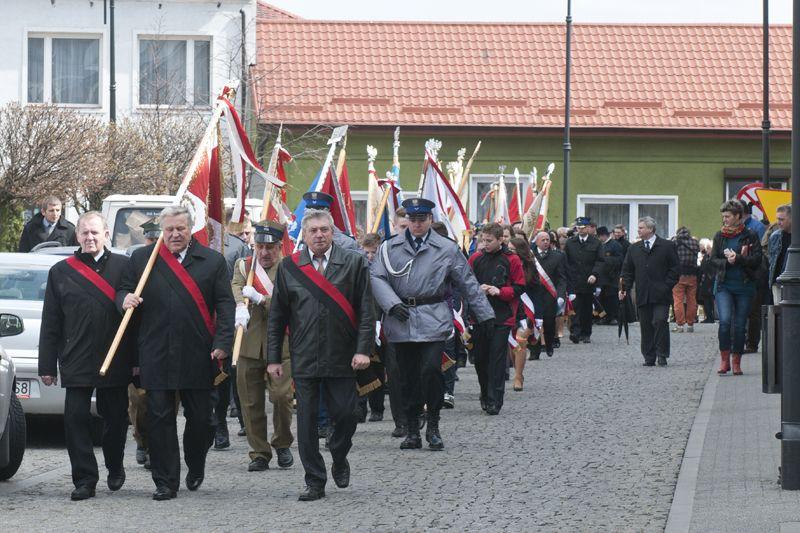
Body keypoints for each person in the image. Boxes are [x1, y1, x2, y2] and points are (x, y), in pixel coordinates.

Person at [119, 205, 235, 500]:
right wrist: (124, 298)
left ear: (190, 229)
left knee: (202, 420)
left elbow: (225, 306)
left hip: (198, 353)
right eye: (168, 229)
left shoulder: (212, 261)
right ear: (162, 230)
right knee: (159, 419)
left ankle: (196, 463)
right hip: (155, 351)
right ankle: (166, 481)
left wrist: (223, 343)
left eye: (180, 229)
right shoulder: (143, 260)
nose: (174, 235)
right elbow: (122, 290)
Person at [266, 209, 373, 502]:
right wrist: (274, 358)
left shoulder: (353, 262)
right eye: (313, 231)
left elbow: (366, 310)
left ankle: (339, 453)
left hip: (342, 353)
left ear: (333, 231)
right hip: (304, 355)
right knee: (307, 422)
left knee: (347, 415)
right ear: (305, 234)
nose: (319, 235)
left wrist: (364, 349)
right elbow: (277, 316)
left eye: (324, 230)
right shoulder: (290, 266)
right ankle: (314, 480)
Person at [371, 198, 493, 448]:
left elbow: (467, 281)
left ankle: (434, 424)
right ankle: (413, 429)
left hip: (433, 317)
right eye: (412, 220)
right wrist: (391, 303)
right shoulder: (389, 247)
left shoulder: (446, 248)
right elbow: (376, 277)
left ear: (430, 220)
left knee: (430, 372)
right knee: (406, 377)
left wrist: (485, 314)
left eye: (421, 219)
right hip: (401, 318)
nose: (416, 224)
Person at [38, 211, 135, 501]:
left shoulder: (125, 266)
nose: (90, 238)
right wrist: (47, 365)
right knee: (75, 419)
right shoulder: (60, 272)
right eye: (84, 233)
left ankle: (115, 465)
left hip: (114, 356)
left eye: (95, 232)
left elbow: (136, 316)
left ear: (106, 234)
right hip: (76, 357)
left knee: (116, 419)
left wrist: (138, 362)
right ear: (77, 236)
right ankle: (85, 479)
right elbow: (51, 322)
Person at [231, 222, 295, 472]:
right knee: (249, 401)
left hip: (280, 345)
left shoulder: (289, 269)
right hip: (248, 343)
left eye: (270, 247)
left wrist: (261, 299)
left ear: (280, 247)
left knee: (281, 397)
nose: (265, 253)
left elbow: (289, 302)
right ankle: (259, 452)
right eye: (260, 246)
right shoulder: (244, 266)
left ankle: (282, 442)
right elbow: (236, 286)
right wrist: (240, 304)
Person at [469, 223, 525, 414]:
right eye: (482, 240)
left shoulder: (512, 259)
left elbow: (519, 287)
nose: (485, 244)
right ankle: (485, 393)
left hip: (502, 315)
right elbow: (466, 283)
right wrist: (479, 290)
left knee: (497, 359)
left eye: (489, 241)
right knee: (481, 360)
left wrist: (499, 291)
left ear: (501, 240)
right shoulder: (475, 258)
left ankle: (495, 399)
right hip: (479, 317)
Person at [709, 200, 763, 376]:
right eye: (723, 216)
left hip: (744, 286)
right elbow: (712, 260)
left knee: (739, 326)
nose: (724, 219)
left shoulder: (750, 235)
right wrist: (727, 262)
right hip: (724, 285)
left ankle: (737, 361)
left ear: (738, 216)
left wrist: (738, 258)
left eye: (728, 216)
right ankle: (724, 360)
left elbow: (757, 260)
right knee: (724, 322)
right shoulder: (719, 236)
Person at [620, 217, 679, 367]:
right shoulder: (634, 248)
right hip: (642, 293)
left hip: (661, 294)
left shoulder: (667, 246)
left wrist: (667, 285)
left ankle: (662, 354)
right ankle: (649, 356)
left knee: (659, 321)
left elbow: (675, 269)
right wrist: (624, 288)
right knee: (645, 325)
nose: (638, 230)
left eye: (641, 228)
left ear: (650, 229)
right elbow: (627, 271)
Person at [128, 219, 161, 469]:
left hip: (164, 345)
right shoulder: (135, 261)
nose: (154, 244)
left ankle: (158, 448)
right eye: (150, 239)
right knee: (139, 402)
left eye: (157, 239)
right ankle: (142, 441)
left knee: (162, 404)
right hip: (138, 344)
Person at [564, 217, 604, 343]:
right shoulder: (570, 242)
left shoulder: (596, 243)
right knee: (574, 307)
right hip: (574, 280)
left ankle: (586, 333)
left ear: (588, 228)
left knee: (586, 308)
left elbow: (601, 261)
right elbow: (566, 261)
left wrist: (595, 274)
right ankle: (575, 332)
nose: (580, 230)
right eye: (578, 228)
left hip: (588, 281)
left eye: (583, 228)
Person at [529, 231, 568, 358]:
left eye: (547, 240)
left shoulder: (558, 256)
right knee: (534, 322)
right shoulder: (531, 256)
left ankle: (549, 344)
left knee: (549, 322)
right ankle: (535, 350)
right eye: (543, 240)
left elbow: (562, 278)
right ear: (537, 242)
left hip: (550, 295)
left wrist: (561, 295)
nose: (546, 242)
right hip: (535, 295)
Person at [507, 237, 537, 390]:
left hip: (525, 309)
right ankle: (517, 370)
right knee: (512, 345)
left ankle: (518, 376)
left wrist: (538, 315)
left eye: (513, 250)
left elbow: (538, 291)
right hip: (509, 308)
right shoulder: (505, 263)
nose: (510, 252)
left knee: (520, 341)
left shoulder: (531, 266)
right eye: (509, 249)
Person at [671, 226, 700, 333]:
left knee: (678, 299)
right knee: (692, 299)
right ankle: (690, 324)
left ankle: (680, 325)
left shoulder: (674, 241)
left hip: (679, 274)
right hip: (692, 274)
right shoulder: (694, 242)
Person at [596, 226, 623, 325]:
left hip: (612, 277)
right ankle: (603, 317)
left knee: (611, 299)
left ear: (603, 236)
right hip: (601, 277)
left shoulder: (615, 245)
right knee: (602, 298)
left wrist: (606, 260)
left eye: (599, 237)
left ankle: (613, 317)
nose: (599, 239)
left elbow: (620, 260)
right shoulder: (600, 245)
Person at [768, 204, 792, 304]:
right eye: (777, 219)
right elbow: (771, 259)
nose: (778, 222)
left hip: (794, 282)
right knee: (779, 313)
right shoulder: (775, 236)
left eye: (782, 219)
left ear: (791, 218)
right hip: (778, 281)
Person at [698, 238, 716, 323]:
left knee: (709, 300)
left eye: (709, 248)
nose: (707, 250)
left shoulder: (713, 257)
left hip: (710, 281)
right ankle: (708, 317)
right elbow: (702, 268)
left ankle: (710, 317)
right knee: (706, 300)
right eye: (707, 248)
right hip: (706, 281)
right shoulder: (707, 257)